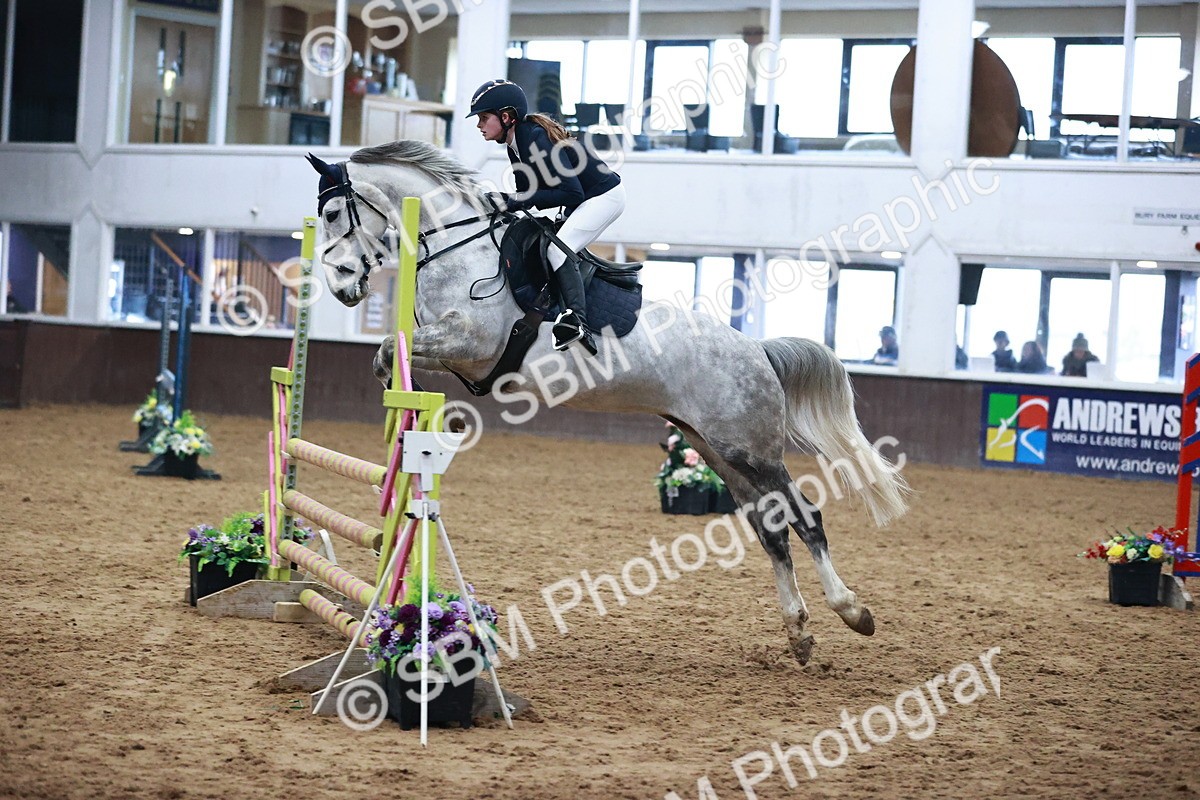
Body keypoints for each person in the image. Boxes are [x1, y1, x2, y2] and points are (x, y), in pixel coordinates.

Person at [466, 79, 625, 356]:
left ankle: (578, 322)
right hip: (585, 199)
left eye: (484, 118)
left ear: (506, 117)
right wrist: (499, 204)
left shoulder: (534, 138)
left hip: (603, 198)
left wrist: (513, 200)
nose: (479, 125)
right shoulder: (515, 144)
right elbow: (526, 195)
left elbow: (570, 193)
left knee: (557, 251)